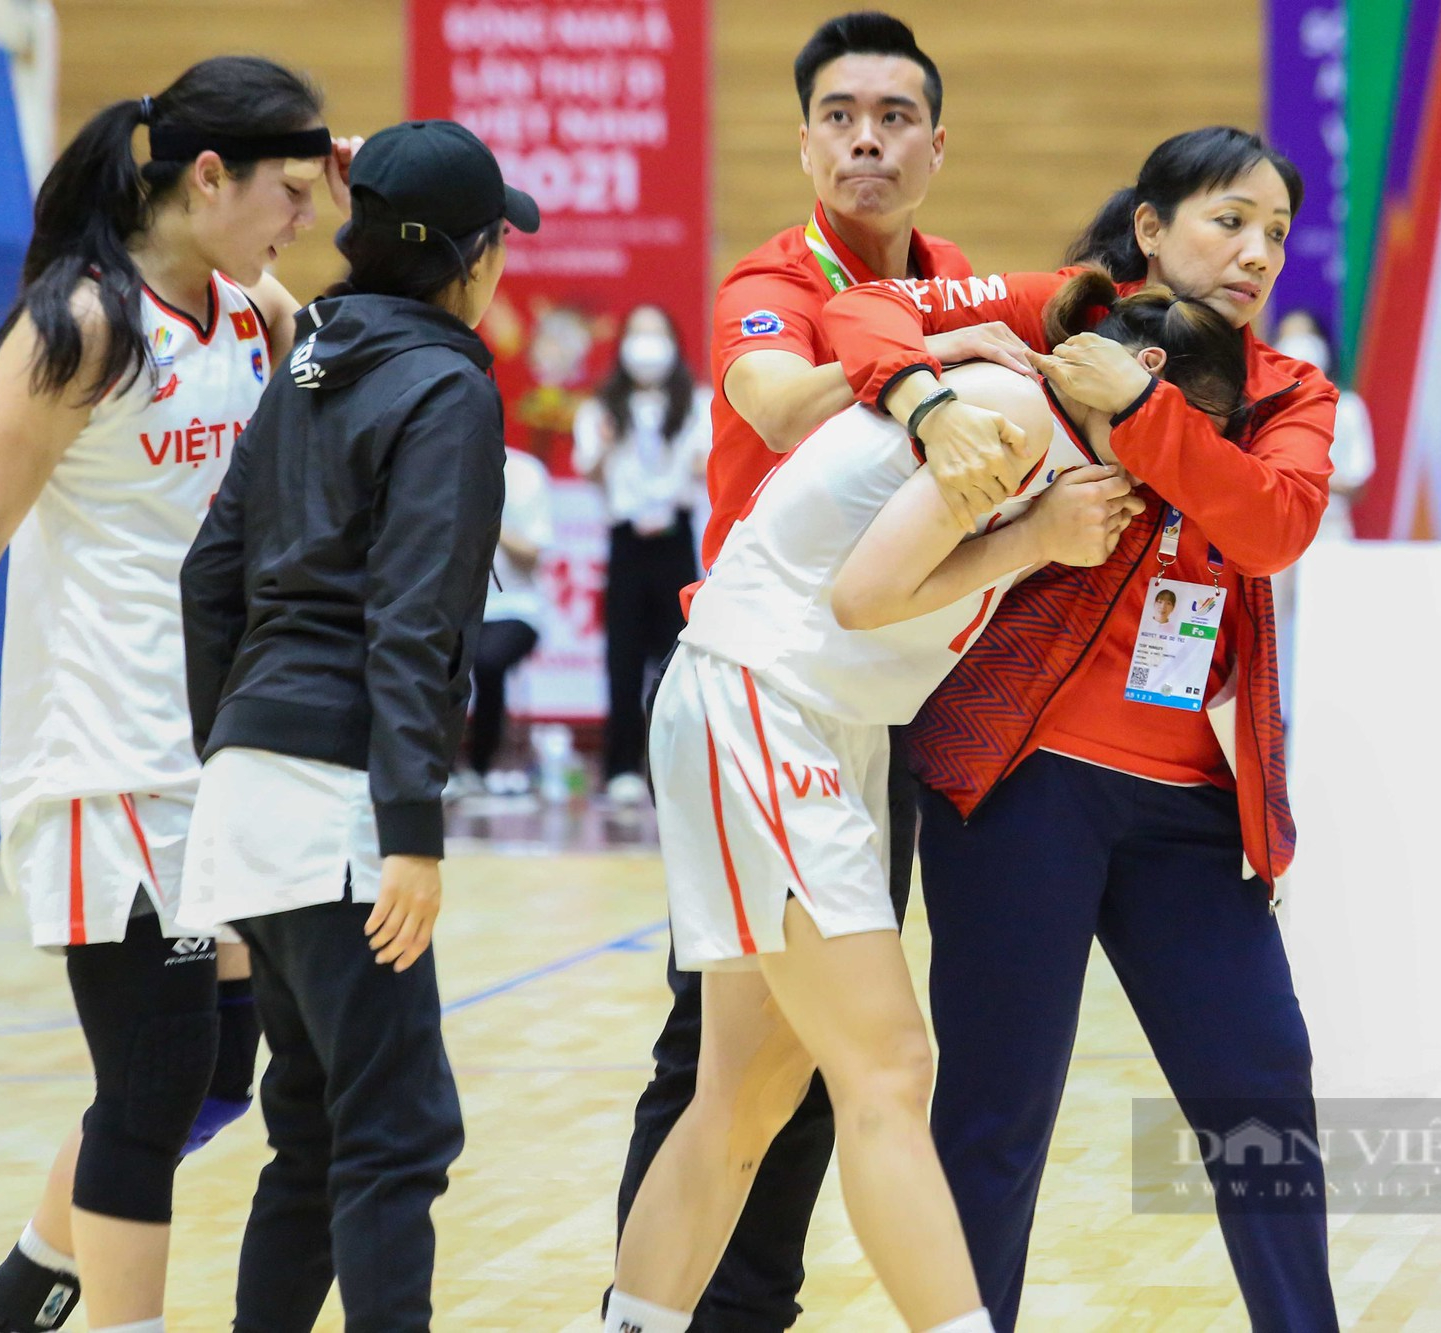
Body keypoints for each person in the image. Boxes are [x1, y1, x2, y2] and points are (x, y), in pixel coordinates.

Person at [609, 275, 1249, 1333]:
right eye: (1193, 428)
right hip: (767, 695)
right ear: (1142, 381)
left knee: (746, 1092)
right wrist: (1035, 537)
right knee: (890, 1067)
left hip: (817, 713)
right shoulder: (1007, 415)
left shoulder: (1029, 417)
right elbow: (862, 599)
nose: (1183, 459)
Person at [824, 126, 1343, 1330]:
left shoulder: (1288, 393)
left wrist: (1149, 408)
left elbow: (1270, 526)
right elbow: (864, 313)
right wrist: (925, 382)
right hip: (1018, 785)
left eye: (1274, 230)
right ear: (1151, 228)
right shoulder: (1061, 324)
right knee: (996, 1114)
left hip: (1192, 811)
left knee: (1261, 1086)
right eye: (1228, 220)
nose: (1256, 250)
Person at [0, 57, 339, 1333]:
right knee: (147, 1087)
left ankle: (4, 1309)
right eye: (287, 194)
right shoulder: (80, 325)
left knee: (212, 1078)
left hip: (218, 762)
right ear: (208, 177)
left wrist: (334, 184)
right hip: (101, 762)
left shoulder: (250, 312)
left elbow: (344, 355)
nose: (300, 220)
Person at [609, 14, 1030, 1331]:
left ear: (936, 143)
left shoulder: (954, 278)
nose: (867, 140)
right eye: (841, 116)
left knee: (767, 1071)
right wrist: (933, 365)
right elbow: (779, 403)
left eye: (894, 116)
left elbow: (1052, 317)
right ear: (804, 140)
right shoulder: (773, 274)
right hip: (759, 680)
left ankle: (665, 1316)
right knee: (806, 1062)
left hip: (859, 705)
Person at [175, 119, 535, 1332]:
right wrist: (412, 833)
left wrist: (232, 746)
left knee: (316, 1132)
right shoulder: (445, 386)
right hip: (340, 798)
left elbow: (207, 577)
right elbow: (415, 620)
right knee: (393, 1136)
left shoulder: (314, 359)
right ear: (474, 260)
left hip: (250, 781)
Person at [572, 304, 712, 806]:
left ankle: (674, 765)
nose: (647, 346)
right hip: (627, 539)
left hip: (674, 536)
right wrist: (608, 445)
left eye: (657, 334)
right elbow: (589, 469)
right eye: (638, 334)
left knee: (676, 657)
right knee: (623, 657)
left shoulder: (695, 403)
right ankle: (619, 767)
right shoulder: (603, 406)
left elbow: (708, 465)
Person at [1268, 309, 1374, 721]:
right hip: (1280, 528)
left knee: (1326, 623)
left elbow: (1358, 479)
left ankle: (1325, 712)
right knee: (1272, 626)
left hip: (1328, 529)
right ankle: (1278, 712)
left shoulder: (1347, 407)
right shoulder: (1267, 406)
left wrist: (1308, 478)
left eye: (1306, 337)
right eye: (1288, 337)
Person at [464, 442, 557, 795]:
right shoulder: (439, 463)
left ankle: (480, 766)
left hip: (514, 607)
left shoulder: (525, 473)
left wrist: (489, 519)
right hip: (454, 604)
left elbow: (532, 555)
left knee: (487, 662)